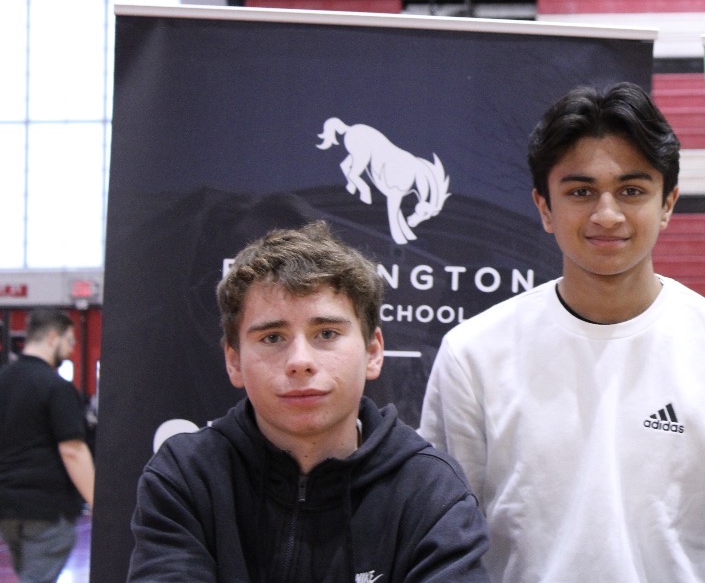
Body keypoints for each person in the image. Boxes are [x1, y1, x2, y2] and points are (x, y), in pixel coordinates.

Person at [420, 82, 705, 583]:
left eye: (632, 191)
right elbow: (446, 543)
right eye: (580, 192)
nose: (607, 214)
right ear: (544, 207)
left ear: (668, 203)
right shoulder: (473, 356)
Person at [127, 221, 490, 582]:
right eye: (272, 338)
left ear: (373, 351)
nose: (300, 361)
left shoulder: (431, 488)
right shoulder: (186, 475)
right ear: (234, 361)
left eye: (326, 333)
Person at [0, 308, 94, 583]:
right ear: (52, 337)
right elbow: (72, 450)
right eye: (69, 340)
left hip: (7, 507)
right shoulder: (57, 388)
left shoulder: (3, 381)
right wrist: (97, 501)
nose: (72, 349)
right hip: (47, 508)